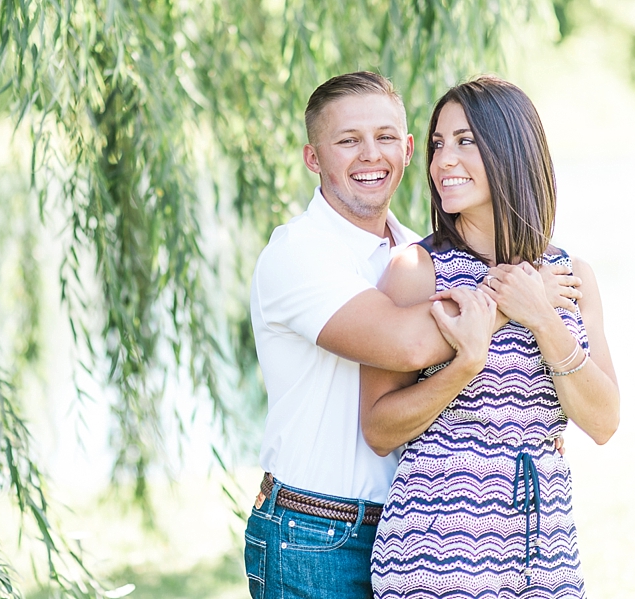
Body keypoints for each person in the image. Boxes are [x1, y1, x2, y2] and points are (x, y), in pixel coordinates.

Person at [243, 71, 580, 599]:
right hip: (313, 533)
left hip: (412, 526)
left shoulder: (415, 252)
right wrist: (521, 299)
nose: (369, 155)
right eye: (347, 141)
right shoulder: (298, 254)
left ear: (405, 150)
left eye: (384, 138)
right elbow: (412, 344)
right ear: (314, 158)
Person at [363, 76, 620, 599]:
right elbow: (380, 429)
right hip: (437, 550)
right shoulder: (418, 269)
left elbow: (603, 422)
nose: (442, 161)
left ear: (511, 149)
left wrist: (543, 318)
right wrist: (486, 330)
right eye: (437, 144)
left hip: (544, 546)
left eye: (465, 141)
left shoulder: (571, 274)